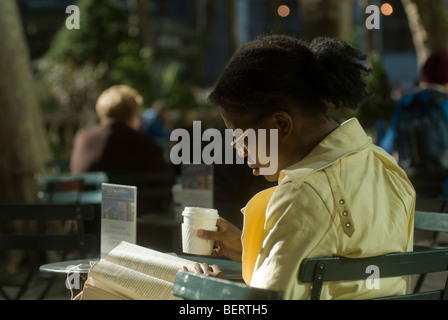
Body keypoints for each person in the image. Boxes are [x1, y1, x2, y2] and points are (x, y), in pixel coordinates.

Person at [185, 35, 415, 300]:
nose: (239, 151)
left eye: (241, 138)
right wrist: (256, 250)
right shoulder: (388, 168)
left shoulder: (303, 194)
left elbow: (264, 302)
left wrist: (214, 293)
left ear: (281, 124)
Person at [70, 85, 171, 213]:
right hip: (133, 227)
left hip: (84, 225)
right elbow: (165, 184)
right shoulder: (144, 144)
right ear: (132, 113)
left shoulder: (82, 138)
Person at [379, 50, 448, 197]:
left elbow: (386, 148)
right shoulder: (444, 104)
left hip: (410, 192)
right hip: (443, 192)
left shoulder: (406, 103)